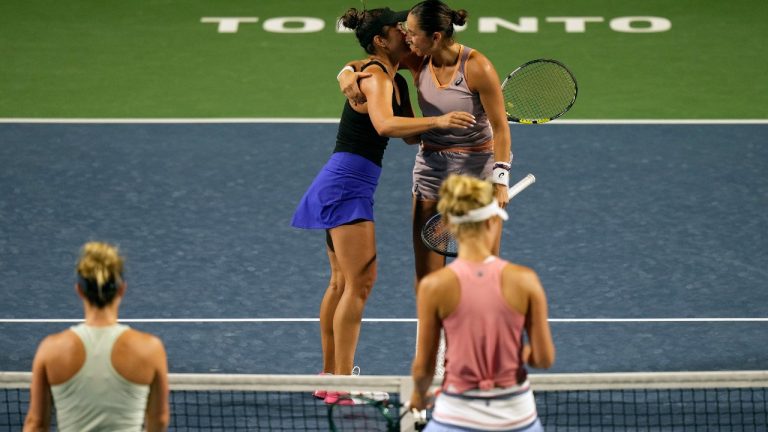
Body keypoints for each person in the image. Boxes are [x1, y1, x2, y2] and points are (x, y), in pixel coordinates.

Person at [290, 6, 475, 403]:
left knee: (341, 283)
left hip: (346, 182)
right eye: (397, 29)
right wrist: (440, 123)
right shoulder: (374, 77)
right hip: (347, 185)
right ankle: (343, 382)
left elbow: (410, 136)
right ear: (380, 39)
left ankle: (329, 378)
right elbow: (386, 126)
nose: (405, 33)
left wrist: (457, 136)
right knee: (359, 283)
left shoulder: (392, 79)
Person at [339, 0, 513, 289]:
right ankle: (431, 335)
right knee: (428, 280)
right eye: (404, 30)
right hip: (432, 169)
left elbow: (501, 128)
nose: (406, 37)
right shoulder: (418, 59)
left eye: (412, 32)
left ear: (435, 37)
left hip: (477, 171)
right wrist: (344, 72)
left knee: (482, 274)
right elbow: (368, 64)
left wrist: (501, 179)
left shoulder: (477, 67)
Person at [409, 174, 555, 432]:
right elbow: (543, 359)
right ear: (492, 221)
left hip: (454, 418)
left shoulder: (434, 287)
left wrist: (418, 398)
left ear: (449, 226)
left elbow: (424, 368)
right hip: (518, 420)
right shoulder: (526, 281)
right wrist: (516, 352)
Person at [24, 242, 169, 432]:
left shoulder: (51, 349)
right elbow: (160, 419)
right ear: (121, 289)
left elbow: (36, 424)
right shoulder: (150, 349)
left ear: (79, 290)